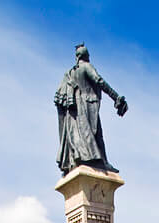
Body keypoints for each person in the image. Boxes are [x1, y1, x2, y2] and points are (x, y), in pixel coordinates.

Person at [54, 43, 128, 175]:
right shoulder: (86, 67)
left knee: (81, 137)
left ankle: (78, 160)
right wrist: (115, 97)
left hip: (74, 112)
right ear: (86, 56)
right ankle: (102, 161)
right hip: (86, 106)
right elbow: (99, 80)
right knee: (97, 135)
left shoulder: (70, 73)